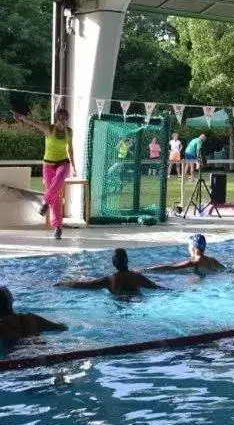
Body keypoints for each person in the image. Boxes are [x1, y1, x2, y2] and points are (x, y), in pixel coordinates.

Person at [13, 108, 74, 240]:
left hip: (63, 163)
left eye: (65, 118)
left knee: (58, 181)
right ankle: (58, 227)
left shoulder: (69, 132)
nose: (63, 121)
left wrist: (73, 166)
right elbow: (33, 122)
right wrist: (21, 116)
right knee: (55, 196)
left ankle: (45, 202)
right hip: (48, 164)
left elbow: (70, 149)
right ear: (57, 119)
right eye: (60, 118)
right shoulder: (49, 129)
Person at [56, 248, 162, 295]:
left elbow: (83, 285)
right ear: (127, 261)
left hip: (119, 306)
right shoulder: (138, 277)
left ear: (114, 263)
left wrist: (62, 283)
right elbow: (157, 287)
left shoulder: (110, 280)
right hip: (137, 303)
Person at [148, 234, 226, 274]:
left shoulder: (193, 263)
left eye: (189, 246)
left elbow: (170, 268)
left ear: (193, 248)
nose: (188, 248)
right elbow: (226, 270)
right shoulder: (213, 261)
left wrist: (146, 270)